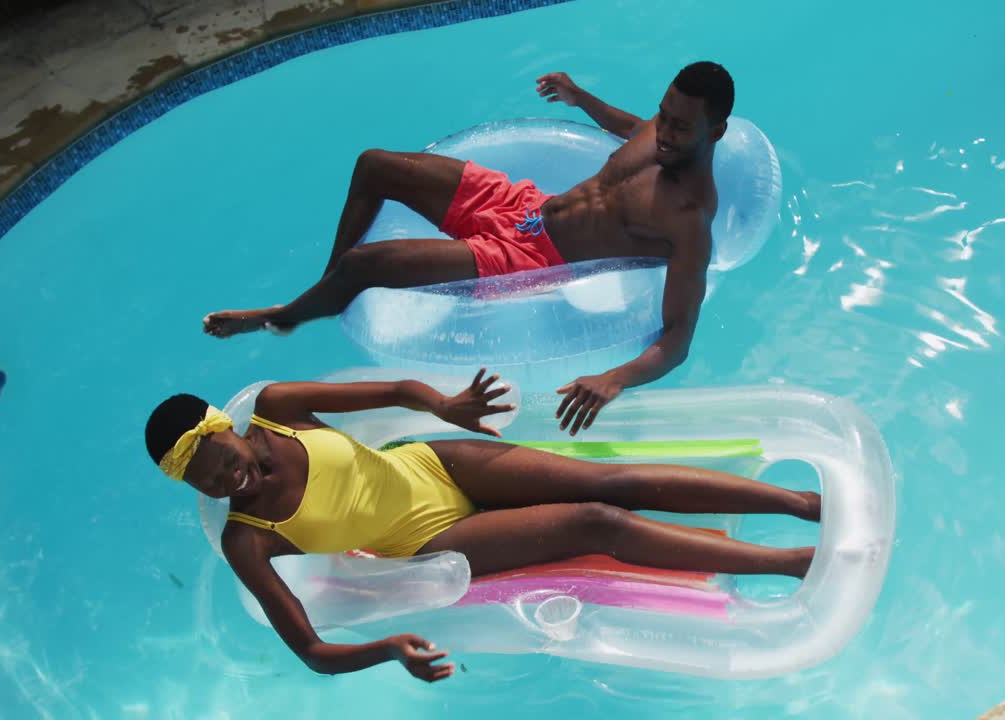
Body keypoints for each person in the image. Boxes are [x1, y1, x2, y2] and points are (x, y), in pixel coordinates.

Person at [145, 369, 819, 682]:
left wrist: (445, 406)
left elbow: (396, 391)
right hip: (428, 540)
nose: (228, 482)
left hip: (434, 464)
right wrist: (388, 650)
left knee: (611, 480)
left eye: (223, 461)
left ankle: (799, 502)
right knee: (598, 522)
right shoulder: (247, 537)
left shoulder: (279, 407)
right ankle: (792, 562)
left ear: (227, 428)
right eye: (208, 483)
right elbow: (313, 652)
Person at [202, 62, 736, 435]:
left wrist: (613, 379)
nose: (663, 131)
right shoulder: (658, 131)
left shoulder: (689, 219)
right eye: (663, 114)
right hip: (523, 204)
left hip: (531, 261)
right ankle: (326, 286)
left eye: (679, 126)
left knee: (366, 265)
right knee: (374, 165)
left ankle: (284, 316)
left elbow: (678, 339)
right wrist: (581, 97)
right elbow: (631, 126)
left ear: (715, 132)